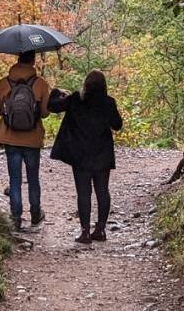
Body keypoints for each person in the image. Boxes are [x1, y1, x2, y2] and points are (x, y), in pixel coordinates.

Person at [48, 70, 123, 244]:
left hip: (80, 154)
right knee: (103, 192)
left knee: (83, 193)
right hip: (102, 154)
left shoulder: (76, 99)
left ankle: (85, 232)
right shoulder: (108, 102)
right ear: (104, 85)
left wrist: (57, 92)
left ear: (86, 84)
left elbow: (53, 107)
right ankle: (101, 229)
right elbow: (117, 125)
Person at [0, 50, 51, 231]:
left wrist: (9, 112)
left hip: (10, 137)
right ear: (33, 61)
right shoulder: (40, 84)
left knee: (15, 178)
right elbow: (45, 112)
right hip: (32, 139)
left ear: (17, 60)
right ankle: (35, 214)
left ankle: (16, 217)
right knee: (33, 177)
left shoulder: (4, 83)